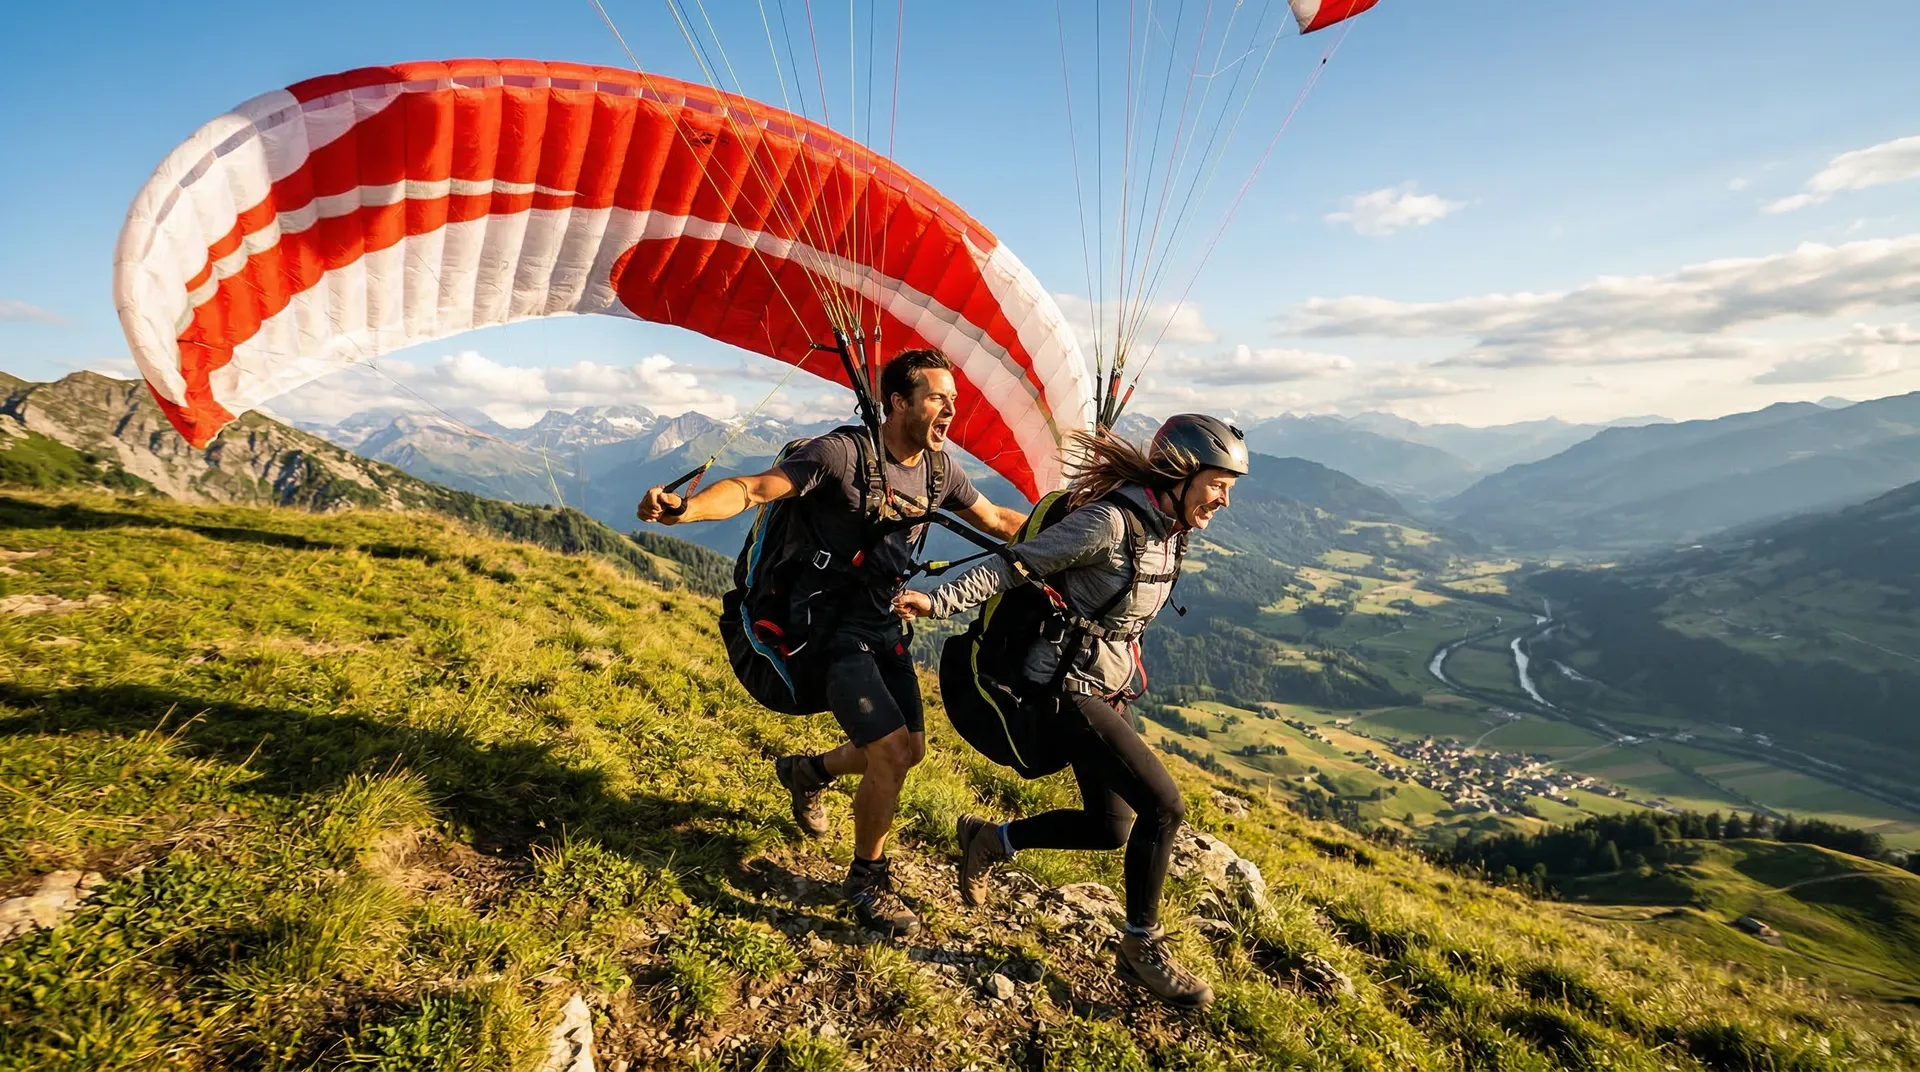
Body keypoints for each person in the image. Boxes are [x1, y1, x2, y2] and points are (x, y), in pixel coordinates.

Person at [637, 349, 1027, 936]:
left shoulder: (939, 470)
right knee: (891, 754)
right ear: (897, 402)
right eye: (937, 398)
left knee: (909, 751)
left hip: (881, 624)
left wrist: (1077, 533)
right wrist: (686, 509)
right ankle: (866, 880)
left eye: (953, 399)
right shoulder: (841, 454)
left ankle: (809, 772)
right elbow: (754, 488)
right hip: (827, 631)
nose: (950, 409)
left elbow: (996, 519)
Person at [893, 414, 1247, 1008]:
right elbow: (1014, 563)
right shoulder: (1109, 523)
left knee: (1110, 827)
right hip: (1064, 691)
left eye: (1230, 487)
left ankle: (989, 839)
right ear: (1181, 473)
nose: (1224, 499)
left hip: (1104, 688)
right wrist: (938, 600)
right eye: (1218, 483)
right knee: (1165, 806)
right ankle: (1142, 945)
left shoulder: (1170, 526)